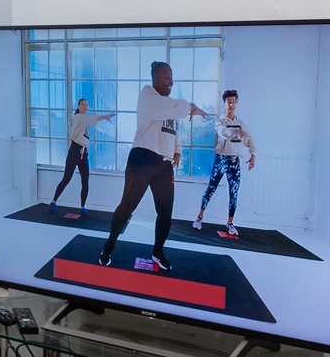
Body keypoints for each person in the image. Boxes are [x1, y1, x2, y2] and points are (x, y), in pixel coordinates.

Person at [98, 61, 206, 272]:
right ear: (155, 78)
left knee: (166, 213)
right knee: (127, 206)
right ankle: (108, 246)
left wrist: (177, 151)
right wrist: (190, 106)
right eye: (167, 78)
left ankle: (158, 252)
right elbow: (177, 108)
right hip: (142, 159)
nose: (171, 82)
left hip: (164, 165)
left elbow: (173, 133)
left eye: (172, 78)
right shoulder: (147, 96)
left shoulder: (170, 106)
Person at [193, 90, 256, 237]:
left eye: (233, 102)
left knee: (234, 193)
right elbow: (224, 133)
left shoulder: (242, 123)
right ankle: (199, 217)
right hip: (221, 160)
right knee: (211, 188)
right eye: (228, 102)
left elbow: (249, 139)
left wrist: (253, 154)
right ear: (224, 104)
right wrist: (237, 132)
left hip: (234, 162)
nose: (231, 105)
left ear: (236, 103)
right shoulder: (220, 121)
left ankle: (230, 222)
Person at [49, 99, 115, 215]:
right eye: (83, 104)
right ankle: (54, 201)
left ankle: (82, 206)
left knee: (85, 181)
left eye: (86, 105)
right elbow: (90, 120)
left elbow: (86, 139)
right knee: (67, 178)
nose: (85, 106)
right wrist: (105, 116)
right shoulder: (78, 117)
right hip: (74, 150)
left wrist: (86, 153)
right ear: (78, 106)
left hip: (83, 153)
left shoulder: (83, 121)